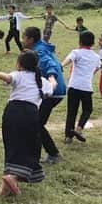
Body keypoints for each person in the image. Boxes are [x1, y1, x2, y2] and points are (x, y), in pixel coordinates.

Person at [0, 51, 54, 197]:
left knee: (12, 147)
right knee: (31, 149)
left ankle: (4, 189)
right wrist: (53, 79)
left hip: (11, 113)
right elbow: (52, 88)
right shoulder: (42, 81)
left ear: (19, 64)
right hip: (29, 115)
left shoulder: (18, 75)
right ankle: (12, 178)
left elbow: (8, 77)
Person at [21, 26, 66, 164]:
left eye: (24, 37)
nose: (22, 40)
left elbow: (51, 64)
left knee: (37, 124)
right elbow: (59, 65)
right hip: (54, 91)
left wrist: (52, 78)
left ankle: (53, 154)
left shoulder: (40, 51)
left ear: (31, 39)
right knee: (36, 123)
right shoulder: (41, 48)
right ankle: (36, 152)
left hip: (53, 92)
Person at [61, 31, 101, 143]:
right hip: (86, 88)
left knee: (71, 111)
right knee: (87, 109)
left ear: (80, 41)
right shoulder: (96, 57)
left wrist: (61, 66)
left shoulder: (76, 52)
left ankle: (68, 137)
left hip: (73, 86)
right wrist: (89, 74)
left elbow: (67, 61)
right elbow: (97, 68)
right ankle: (79, 128)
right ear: (92, 43)